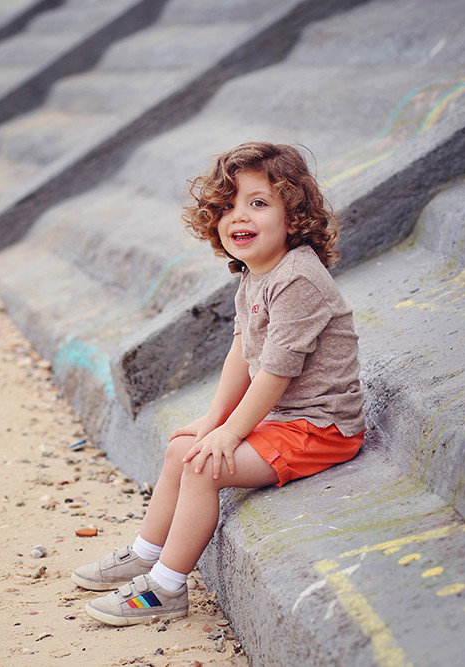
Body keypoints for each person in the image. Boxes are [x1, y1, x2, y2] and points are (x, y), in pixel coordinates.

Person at [72, 141, 367, 626]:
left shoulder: (298, 279)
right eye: (227, 206)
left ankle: (166, 588)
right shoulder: (257, 274)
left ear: (293, 215)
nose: (239, 215)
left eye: (258, 202)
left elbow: (276, 372)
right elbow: (242, 351)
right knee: (182, 448)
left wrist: (230, 434)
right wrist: (214, 419)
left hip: (321, 428)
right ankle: (146, 554)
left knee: (203, 467)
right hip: (284, 421)